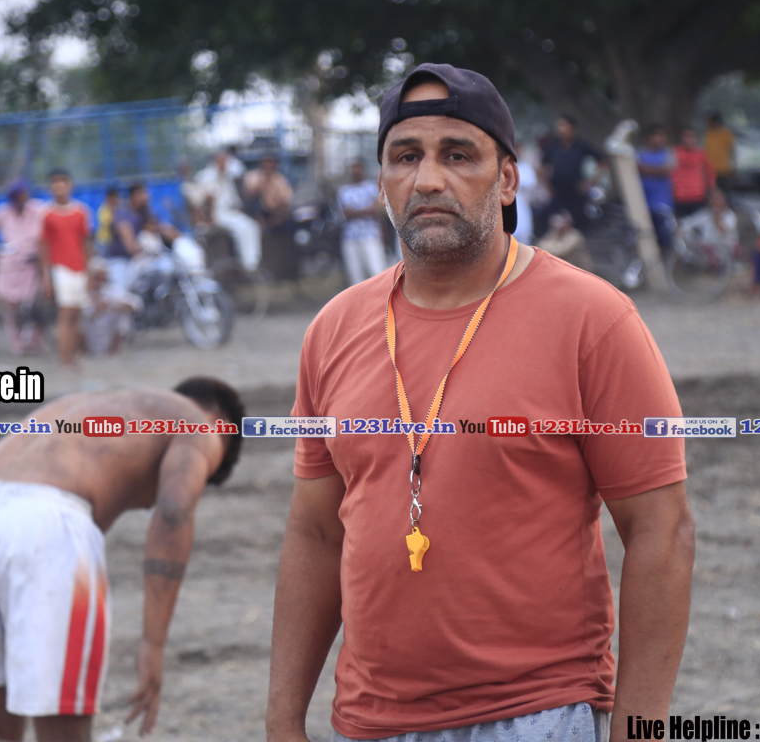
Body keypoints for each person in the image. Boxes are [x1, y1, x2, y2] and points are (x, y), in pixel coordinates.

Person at [267, 62, 693, 742]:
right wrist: (283, 718)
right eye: (406, 156)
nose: (428, 180)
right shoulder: (334, 330)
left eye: (458, 155)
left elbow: (661, 534)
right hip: (369, 721)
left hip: (537, 715)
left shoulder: (593, 321)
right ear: (382, 181)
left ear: (508, 180)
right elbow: (315, 535)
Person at [0, 378, 243, 741]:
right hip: (43, 522)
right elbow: (173, 514)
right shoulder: (199, 425)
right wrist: (153, 645)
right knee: (64, 731)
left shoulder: (100, 405)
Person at [0, 181, 48, 355]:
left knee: (34, 304)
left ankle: (35, 339)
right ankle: (16, 341)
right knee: (10, 307)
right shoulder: (3, 212)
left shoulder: (39, 210)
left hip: (32, 266)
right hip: (9, 266)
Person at [39, 170, 94, 367]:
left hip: (80, 268)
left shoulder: (81, 212)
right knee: (66, 313)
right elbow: (43, 247)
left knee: (76, 313)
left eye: (62, 182)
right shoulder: (47, 214)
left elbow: (86, 243)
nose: (59, 186)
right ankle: (64, 357)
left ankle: (72, 355)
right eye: (55, 182)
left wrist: (90, 272)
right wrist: (46, 277)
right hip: (60, 268)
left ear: (70, 185)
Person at [199, 150, 261, 273]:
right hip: (217, 213)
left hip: (231, 212)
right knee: (241, 229)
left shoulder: (229, 173)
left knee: (252, 227)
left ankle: (254, 263)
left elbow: (238, 170)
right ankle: (248, 265)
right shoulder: (206, 176)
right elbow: (205, 202)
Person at [541, 114, 604, 231]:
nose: (560, 129)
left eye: (564, 125)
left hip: (576, 190)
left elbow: (602, 161)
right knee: (554, 220)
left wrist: (591, 181)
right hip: (557, 191)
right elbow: (544, 164)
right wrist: (547, 183)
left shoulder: (581, 145)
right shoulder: (553, 145)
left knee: (578, 221)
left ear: (572, 128)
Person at [244, 155, 295, 280]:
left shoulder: (280, 179)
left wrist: (278, 217)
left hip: (276, 214)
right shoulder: (253, 176)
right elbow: (250, 195)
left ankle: (287, 270)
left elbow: (286, 200)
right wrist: (264, 182)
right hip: (257, 214)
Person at [337, 160, 387, 285]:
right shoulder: (344, 191)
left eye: (358, 167)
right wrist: (365, 210)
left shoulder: (372, 187)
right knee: (356, 276)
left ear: (363, 168)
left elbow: (377, 209)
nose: (355, 171)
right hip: (350, 237)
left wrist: (355, 211)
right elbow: (345, 214)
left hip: (370, 235)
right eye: (353, 168)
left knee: (376, 271)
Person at [81, 258, 142, 355]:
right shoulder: (80, 292)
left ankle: (114, 351)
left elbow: (137, 304)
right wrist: (95, 308)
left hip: (109, 335)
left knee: (123, 316)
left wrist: (110, 306)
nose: (99, 282)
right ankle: (83, 351)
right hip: (89, 335)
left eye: (102, 278)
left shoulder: (112, 290)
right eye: (96, 278)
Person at [636, 124, 677, 249]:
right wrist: (656, 170)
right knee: (645, 239)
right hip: (642, 204)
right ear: (650, 137)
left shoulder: (669, 153)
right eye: (658, 135)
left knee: (665, 240)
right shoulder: (639, 153)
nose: (661, 139)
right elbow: (635, 168)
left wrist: (645, 169)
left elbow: (667, 169)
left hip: (662, 204)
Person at [678, 188, 739, 259]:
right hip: (706, 251)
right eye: (712, 199)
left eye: (717, 198)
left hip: (725, 251)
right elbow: (688, 222)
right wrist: (681, 228)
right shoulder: (705, 214)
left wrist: (717, 217)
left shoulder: (730, 215)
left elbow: (724, 232)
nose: (714, 201)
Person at [670, 127, 715, 218]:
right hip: (678, 197)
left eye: (692, 136)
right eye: (686, 136)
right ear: (682, 138)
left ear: (695, 138)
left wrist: (711, 191)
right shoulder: (674, 152)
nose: (689, 139)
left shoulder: (701, 153)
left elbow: (710, 173)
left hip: (698, 197)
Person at [703, 111, 735, 191]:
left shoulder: (726, 133)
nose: (708, 123)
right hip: (710, 171)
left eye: (709, 121)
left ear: (716, 121)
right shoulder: (708, 134)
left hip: (724, 171)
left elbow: (732, 151)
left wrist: (734, 167)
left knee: (725, 193)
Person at [94, 187, 120, 251]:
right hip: (105, 241)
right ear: (108, 198)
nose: (115, 200)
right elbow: (109, 223)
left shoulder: (119, 208)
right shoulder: (103, 210)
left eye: (116, 197)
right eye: (113, 198)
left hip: (116, 241)